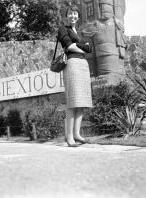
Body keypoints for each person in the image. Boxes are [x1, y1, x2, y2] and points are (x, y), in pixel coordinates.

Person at [58, 5, 93, 147]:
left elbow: (89, 48)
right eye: (70, 13)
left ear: (78, 16)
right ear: (67, 16)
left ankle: (77, 134)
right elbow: (69, 46)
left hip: (83, 65)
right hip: (71, 64)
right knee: (72, 102)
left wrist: (77, 44)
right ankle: (69, 136)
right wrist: (81, 45)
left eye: (75, 14)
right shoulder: (63, 29)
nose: (73, 16)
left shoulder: (80, 32)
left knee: (82, 102)